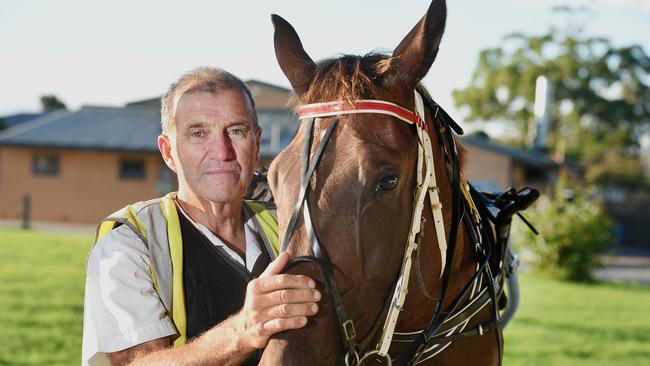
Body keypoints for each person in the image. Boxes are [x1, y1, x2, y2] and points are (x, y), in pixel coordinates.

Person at [82, 67, 320, 366]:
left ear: (257, 144)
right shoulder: (130, 243)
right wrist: (244, 329)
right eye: (198, 134)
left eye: (236, 131)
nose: (222, 152)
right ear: (168, 151)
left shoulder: (289, 225)